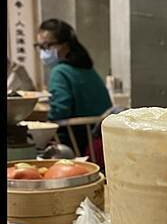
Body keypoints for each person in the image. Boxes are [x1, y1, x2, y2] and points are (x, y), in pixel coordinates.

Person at [35, 19, 112, 155]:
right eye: (39, 47)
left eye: (47, 46)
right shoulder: (87, 69)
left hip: (77, 142)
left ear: (65, 45)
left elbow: (60, 111)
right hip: (98, 136)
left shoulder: (60, 72)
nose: (43, 52)